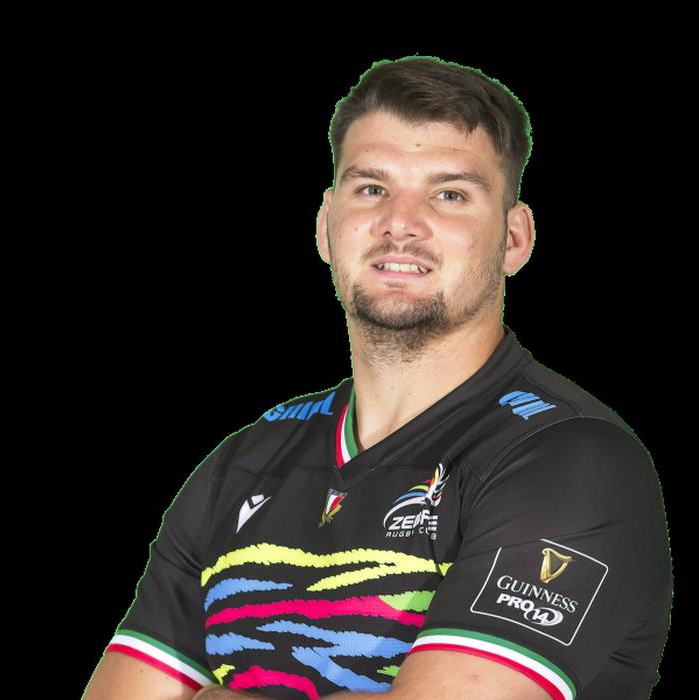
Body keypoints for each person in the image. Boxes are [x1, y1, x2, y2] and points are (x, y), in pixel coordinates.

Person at [83, 56, 672, 700]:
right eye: (371, 188)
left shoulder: (570, 459)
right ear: (324, 226)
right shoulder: (243, 463)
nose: (400, 223)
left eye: (450, 194)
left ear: (513, 239)